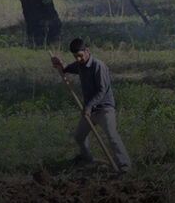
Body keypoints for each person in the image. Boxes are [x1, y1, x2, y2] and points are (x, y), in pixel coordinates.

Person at [51, 38, 133, 171]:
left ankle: (125, 164)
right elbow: (67, 68)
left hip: (105, 108)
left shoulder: (98, 66)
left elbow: (102, 90)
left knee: (112, 135)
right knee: (79, 136)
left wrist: (88, 106)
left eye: (80, 56)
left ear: (87, 51)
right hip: (89, 110)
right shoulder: (80, 65)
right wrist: (59, 63)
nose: (78, 59)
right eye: (75, 56)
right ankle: (87, 158)